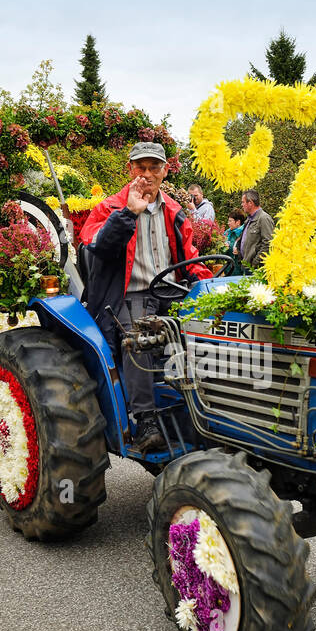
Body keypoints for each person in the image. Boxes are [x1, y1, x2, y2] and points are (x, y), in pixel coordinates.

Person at [80, 141, 206, 453]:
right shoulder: (109, 208)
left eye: (154, 168)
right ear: (130, 170)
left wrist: (215, 292)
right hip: (128, 295)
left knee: (210, 331)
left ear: (165, 171)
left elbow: (191, 260)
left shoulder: (175, 213)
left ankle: (206, 408)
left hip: (171, 294)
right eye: (140, 167)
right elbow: (96, 245)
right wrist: (129, 213)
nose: (147, 174)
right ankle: (147, 419)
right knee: (138, 337)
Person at [239, 190, 274, 270]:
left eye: (243, 202)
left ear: (250, 203)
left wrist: (255, 263)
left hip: (255, 270)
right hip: (246, 267)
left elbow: (268, 244)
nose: (242, 205)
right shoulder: (248, 220)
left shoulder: (264, 218)